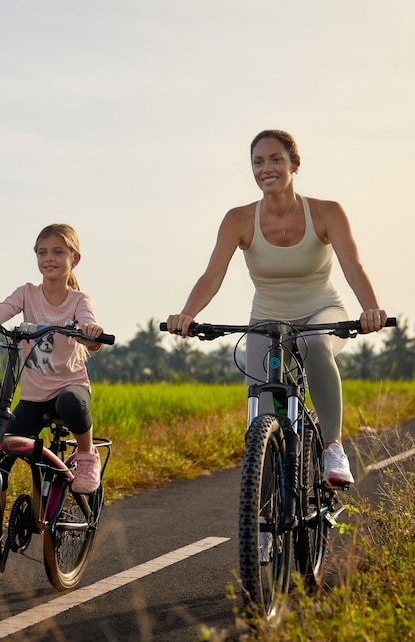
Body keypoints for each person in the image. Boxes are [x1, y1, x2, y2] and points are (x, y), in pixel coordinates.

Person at [166, 129, 387, 487]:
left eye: (275, 159)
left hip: (322, 313)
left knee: (313, 345)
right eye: (258, 162)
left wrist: (371, 308)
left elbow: (353, 267)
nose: (265, 168)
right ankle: (267, 501)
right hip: (266, 321)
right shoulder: (238, 220)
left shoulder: (327, 212)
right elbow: (212, 275)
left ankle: (333, 448)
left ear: (295, 164)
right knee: (264, 408)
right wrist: (188, 314)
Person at [0, 224, 106, 493]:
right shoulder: (27, 293)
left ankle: (87, 457)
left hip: (69, 389)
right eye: (42, 252)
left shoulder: (78, 300)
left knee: (70, 402)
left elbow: (89, 328)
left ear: (74, 259)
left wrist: (90, 332)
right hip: (33, 398)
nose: (48, 258)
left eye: (57, 252)